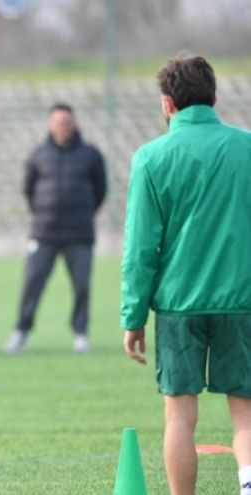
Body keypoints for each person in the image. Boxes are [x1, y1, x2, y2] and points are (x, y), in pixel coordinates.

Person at [122, 54, 251, 495]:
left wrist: (133, 316)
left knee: (180, 416)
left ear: (167, 103)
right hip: (242, 300)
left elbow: (140, 248)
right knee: (246, 414)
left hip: (179, 305)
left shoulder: (150, 158)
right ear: (214, 98)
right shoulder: (247, 147)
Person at [4, 103, 107, 354]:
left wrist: (84, 212)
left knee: (82, 285)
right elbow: (28, 190)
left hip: (79, 233)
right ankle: (22, 331)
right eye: (59, 122)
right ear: (50, 125)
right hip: (45, 232)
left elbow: (100, 191)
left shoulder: (91, 154)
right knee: (32, 284)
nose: (64, 126)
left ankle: (81, 333)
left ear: (75, 123)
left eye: (68, 121)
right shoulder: (38, 155)